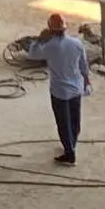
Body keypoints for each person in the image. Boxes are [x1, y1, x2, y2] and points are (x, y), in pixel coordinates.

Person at [26, 12, 92, 164]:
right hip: (76, 88)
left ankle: (69, 153)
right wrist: (86, 81)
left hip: (59, 91)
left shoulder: (49, 47)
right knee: (75, 120)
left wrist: (39, 39)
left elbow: (32, 54)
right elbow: (83, 65)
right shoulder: (76, 43)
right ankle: (72, 144)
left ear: (50, 29)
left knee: (63, 123)